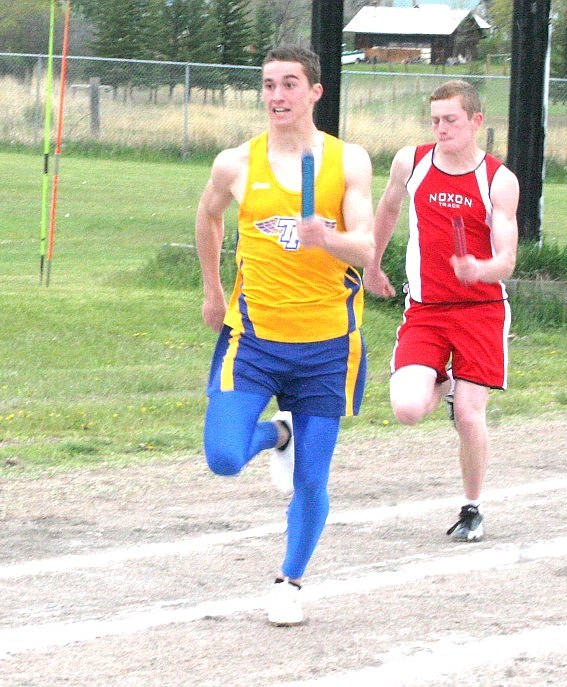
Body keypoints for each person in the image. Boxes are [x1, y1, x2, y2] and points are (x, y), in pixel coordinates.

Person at [195, 45, 375, 626]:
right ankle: (277, 433)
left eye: (290, 84)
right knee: (223, 456)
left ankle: (289, 583)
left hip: (328, 344)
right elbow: (208, 217)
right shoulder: (235, 163)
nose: (277, 96)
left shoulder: (348, 162)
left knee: (312, 479)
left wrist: (325, 237)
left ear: (315, 91)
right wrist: (213, 291)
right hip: (253, 337)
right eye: (270, 85)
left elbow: (366, 247)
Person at [363, 79, 519, 543]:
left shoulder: (497, 180)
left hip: (481, 310)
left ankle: (472, 507)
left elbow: (508, 259)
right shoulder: (411, 162)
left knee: (470, 415)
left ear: (476, 121)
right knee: (408, 409)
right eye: (434, 120)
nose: (441, 128)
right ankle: (446, 381)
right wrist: (372, 264)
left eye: (450, 120)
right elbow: (388, 208)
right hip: (426, 308)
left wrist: (481, 267)